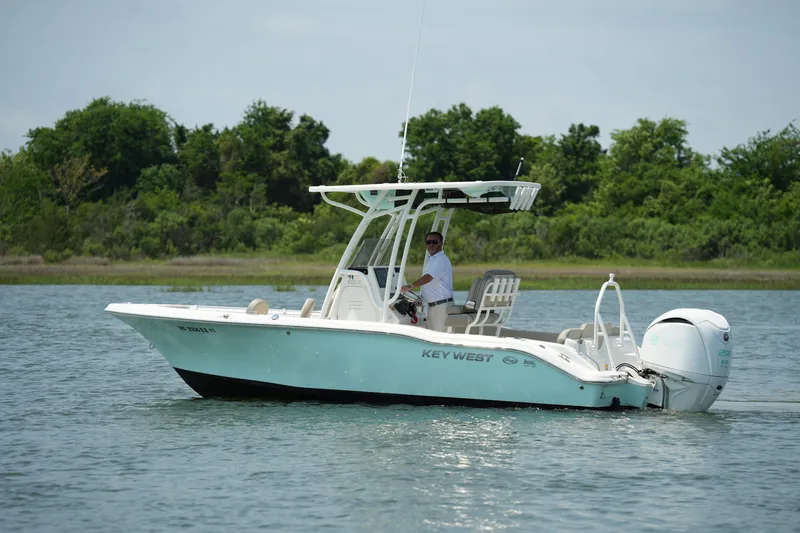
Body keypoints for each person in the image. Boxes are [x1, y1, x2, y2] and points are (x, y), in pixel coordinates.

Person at [401, 231, 454, 332]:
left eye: (434, 242)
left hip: (441, 307)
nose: (431, 245)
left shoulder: (441, 259)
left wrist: (411, 286)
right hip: (433, 307)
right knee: (432, 337)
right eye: (428, 242)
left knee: (439, 338)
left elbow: (428, 277)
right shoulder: (433, 259)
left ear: (441, 243)